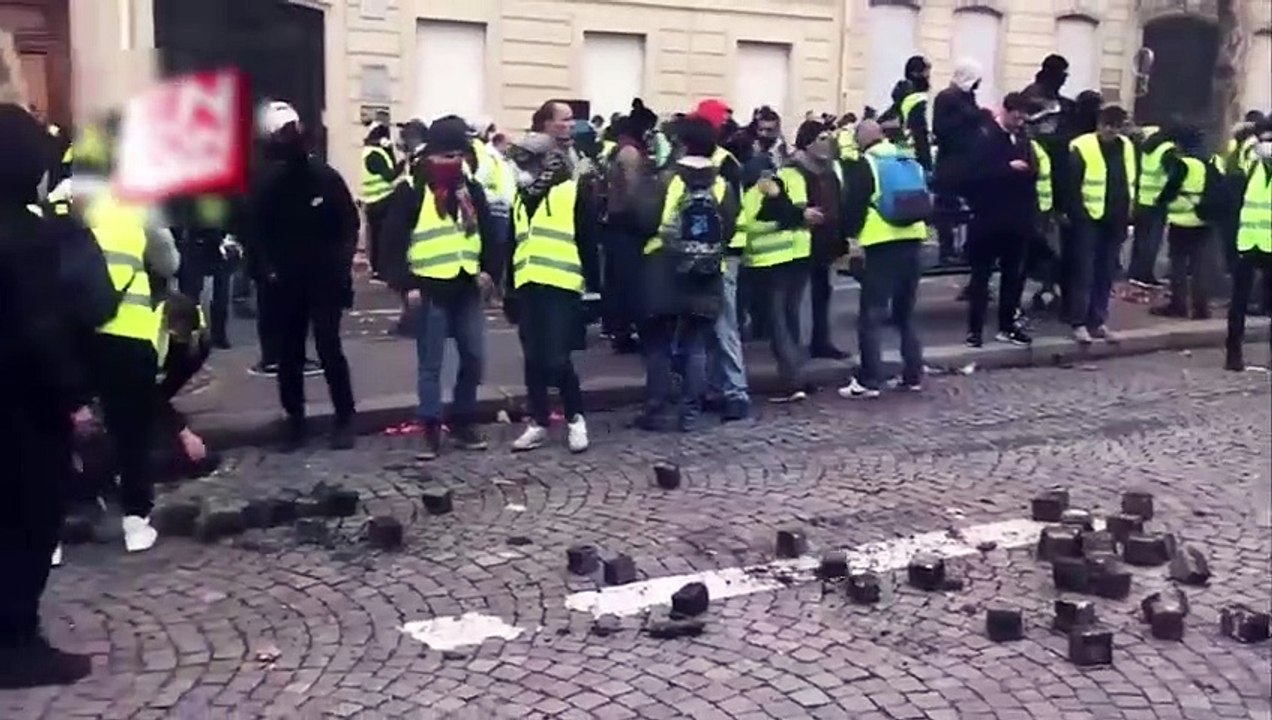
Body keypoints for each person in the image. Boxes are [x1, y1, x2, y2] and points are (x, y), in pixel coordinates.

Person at [0, 102, 94, 688]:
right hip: (25, 409)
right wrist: (73, 399)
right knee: (29, 523)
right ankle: (17, 644)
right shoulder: (27, 239)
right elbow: (40, 330)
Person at [381, 115, 499, 460]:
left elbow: (489, 234)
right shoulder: (411, 190)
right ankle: (430, 427)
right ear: (431, 155)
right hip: (429, 288)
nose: (455, 161)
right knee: (431, 365)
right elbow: (391, 243)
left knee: (474, 358)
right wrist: (406, 285)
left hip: (466, 285)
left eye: (459, 155)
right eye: (448, 155)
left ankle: (463, 421)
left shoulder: (470, 189)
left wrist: (490, 272)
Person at [247, 101, 360, 451]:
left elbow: (348, 223)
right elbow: (255, 231)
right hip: (286, 280)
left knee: (327, 346)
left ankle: (344, 417)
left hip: (322, 277)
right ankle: (295, 420)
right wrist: (266, 271)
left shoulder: (323, 177)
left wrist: (340, 266)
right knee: (290, 353)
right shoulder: (267, 183)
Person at [634, 114, 740, 431]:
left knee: (658, 343)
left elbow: (644, 219)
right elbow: (729, 227)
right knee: (696, 345)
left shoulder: (667, 179)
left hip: (663, 267)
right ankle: (689, 413)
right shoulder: (721, 184)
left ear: (681, 143)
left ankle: (656, 410)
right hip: (706, 270)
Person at [503, 131, 600, 452]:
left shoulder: (571, 192)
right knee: (533, 359)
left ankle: (575, 419)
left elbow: (587, 242)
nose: (521, 168)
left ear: (546, 162)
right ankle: (539, 421)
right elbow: (514, 243)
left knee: (557, 358)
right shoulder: (521, 196)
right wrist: (510, 290)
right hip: (528, 285)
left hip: (562, 285)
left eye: (527, 161)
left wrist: (593, 290)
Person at [838, 120, 927, 399]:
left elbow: (854, 206)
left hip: (880, 242)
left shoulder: (866, 164)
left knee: (872, 313)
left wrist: (849, 239)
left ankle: (870, 379)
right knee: (905, 313)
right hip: (914, 238)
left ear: (863, 139)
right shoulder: (909, 159)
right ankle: (913, 374)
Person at [962, 93, 1037, 347]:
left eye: (1023, 119)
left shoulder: (1023, 138)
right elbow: (973, 175)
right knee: (981, 277)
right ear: (1005, 111)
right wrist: (1007, 169)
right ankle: (975, 330)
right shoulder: (984, 136)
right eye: (1016, 117)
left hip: (1017, 218)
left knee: (1013, 276)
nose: (1020, 123)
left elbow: (1033, 171)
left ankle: (1007, 325)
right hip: (988, 217)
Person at [694, 97, 752, 418]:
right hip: (720, 249)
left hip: (724, 252)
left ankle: (735, 391)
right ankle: (718, 387)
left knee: (724, 324)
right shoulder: (720, 159)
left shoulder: (722, 162)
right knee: (711, 325)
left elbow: (727, 211)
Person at [1065, 105, 1137, 344]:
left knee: (1105, 272)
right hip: (1089, 219)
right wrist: (1078, 214)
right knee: (1084, 272)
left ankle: (1097, 321)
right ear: (1099, 124)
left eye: (1116, 127)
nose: (1111, 131)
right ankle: (1078, 322)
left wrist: (1128, 213)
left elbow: (1129, 180)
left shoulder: (1126, 146)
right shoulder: (1082, 146)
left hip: (1114, 218)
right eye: (1107, 125)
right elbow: (1071, 186)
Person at [787, 119, 850, 360]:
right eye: (821, 139)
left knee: (823, 294)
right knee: (800, 298)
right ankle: (798, 347)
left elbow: (838, 206)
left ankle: (821, 342)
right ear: (807, 143)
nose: (828, 144)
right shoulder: (795, 171)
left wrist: (842, 240)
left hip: (825, 243)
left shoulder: (830, 172)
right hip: (801, 244)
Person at [601, 106, 658, 354]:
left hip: (616, 222)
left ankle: (619, 329)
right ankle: (631, 332)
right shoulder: (630, 154)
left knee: (617, 281)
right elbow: (634, 192)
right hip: (627, 223)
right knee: (631, 281)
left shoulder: (620, 150)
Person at [1152, 124, 1222, 319]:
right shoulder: (1211, 162)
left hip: (1182, 221)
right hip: (1204, 219)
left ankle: (1178, 305)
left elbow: (1171, 189)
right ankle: (1201, 308)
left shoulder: (1184, 164)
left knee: (1179, 265)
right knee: (1200, 266)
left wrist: (1160, 201)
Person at [1225, 119, 1272, 370]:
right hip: (1254, 242)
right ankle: (1234, 354)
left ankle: (1235, 355)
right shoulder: (1252, 161)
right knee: (1240, 301)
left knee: (1241, 301)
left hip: (1253, 241)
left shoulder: (1251, 159)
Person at [932, 58, 988, 267]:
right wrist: (970, 117)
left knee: (971, 208)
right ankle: (947, 250)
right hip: (950, 162)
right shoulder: (946, 97)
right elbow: (941, 128)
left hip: (969, 162)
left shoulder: (968, 97)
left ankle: (967, 249)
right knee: (946, 209)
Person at [171, 193, 237, 348]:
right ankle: (216, 335)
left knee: (194, 292)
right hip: (214, 240)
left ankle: (194, 334)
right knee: (213, 291)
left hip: (198, 240)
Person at [1127, 124, 1177, 288]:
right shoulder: (1167, 149)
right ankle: (1145, 275)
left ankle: (1134, 273)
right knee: (1152, 241)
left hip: (1143, 199)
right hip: (1157, 201)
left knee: (1140, 239)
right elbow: (1173, 174)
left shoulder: (1146, 148)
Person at [361, 121, 400, 281]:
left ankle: (380, 269)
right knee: (381, 238)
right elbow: (390, 175)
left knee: (379, 237)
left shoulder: (377, 152)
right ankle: (379, 270)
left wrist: (390, 150)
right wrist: (405, 161)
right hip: (379, 202)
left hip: (378, 202)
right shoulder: (374, 154)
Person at [882, 55, 934, 174]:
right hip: (915, 155)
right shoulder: (917, 98)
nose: (928, 76)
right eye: (926, 71)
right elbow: (920, 134)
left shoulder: (903, 95)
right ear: (915, 73)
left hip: (902, 151)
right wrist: (927, 165)